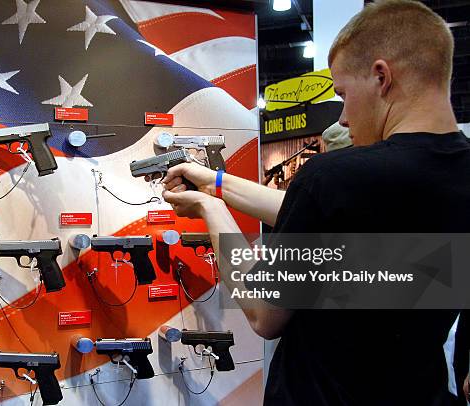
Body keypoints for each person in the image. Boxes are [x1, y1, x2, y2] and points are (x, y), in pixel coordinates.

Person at [161, 0, 470, 404]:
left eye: (343, 93)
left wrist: (211, 209)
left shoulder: (335, 178)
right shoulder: (446, 178)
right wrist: (216, 182)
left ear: (381, 77)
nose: (342, 118)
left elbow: (263, 313)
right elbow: (342, 233)